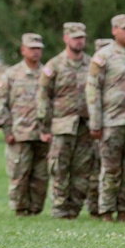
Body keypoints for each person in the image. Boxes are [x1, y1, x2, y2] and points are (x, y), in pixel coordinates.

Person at [87, 14, 125, 222]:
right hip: (111, 122)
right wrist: (95, 122)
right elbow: (93, 90)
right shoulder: (103, 56)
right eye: (124, 28)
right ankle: (107, 212)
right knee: (110, 171)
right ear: (114, 31)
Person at [38, 23, 91, 219]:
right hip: (62, 126)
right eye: (75, 37)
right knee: (59, 169)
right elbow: (44, 97)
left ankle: (74, 209)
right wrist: (44, 126)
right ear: (66, 38)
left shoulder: (91, 64)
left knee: (83, 170)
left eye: (82, 37)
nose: (79, 40)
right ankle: (59, 210)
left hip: (85, 126)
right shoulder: (54, 65)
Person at [0, 33, 48, 216]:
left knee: (41, 176)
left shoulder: (47, 73)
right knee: (19, 175)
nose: (36, 52)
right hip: (19, 134)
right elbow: (1, 103)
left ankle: (35, 210)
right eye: (32, 48)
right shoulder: (12, 74)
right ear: (23, 50)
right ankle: (20, 209)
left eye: (39, 48)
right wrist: (6, 130)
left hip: (43, 134)